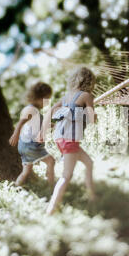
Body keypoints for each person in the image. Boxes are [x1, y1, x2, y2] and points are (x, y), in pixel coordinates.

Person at [41, 67, 97, 215]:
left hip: (60, 138)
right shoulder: (87, 96)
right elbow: (91, 120)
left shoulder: (66, 97)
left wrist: (43, 131)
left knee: (89, 163)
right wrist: (93, 114)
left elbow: (51, 111)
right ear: (89, 81)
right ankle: (51, 209)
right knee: (66, 176)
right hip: (70, 140)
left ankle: (92, 196)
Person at [9, 82, 55, 186]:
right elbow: (21, 122)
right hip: (31, 145)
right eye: (46, 99)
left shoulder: (34, 110)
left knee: (26, 171)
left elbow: (43, 123)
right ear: (39, 97)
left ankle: (16, 187)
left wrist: (54, 126)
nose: (48, 102)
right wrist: (15, 134)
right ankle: (52, 188)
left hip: (24, 146)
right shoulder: (31, 110)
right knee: (51, 161)